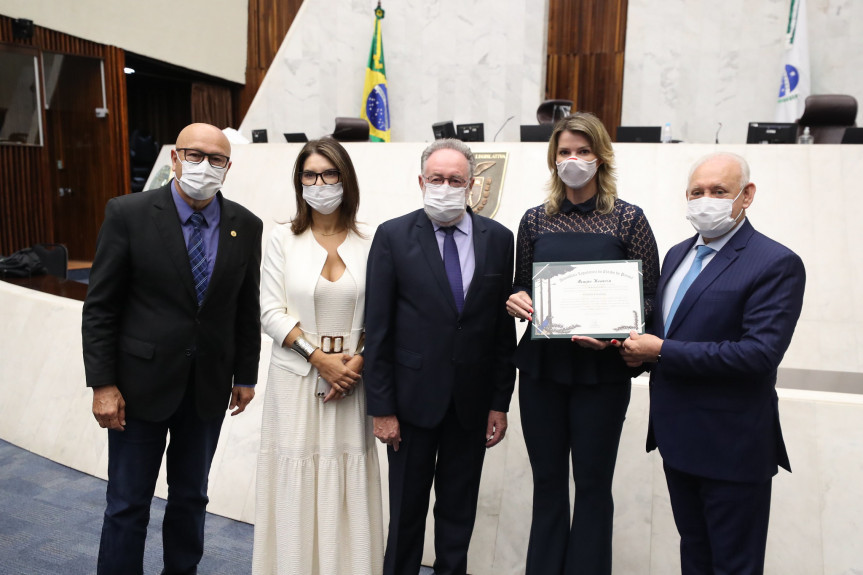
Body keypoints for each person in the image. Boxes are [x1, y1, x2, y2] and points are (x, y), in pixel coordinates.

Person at [82, 122, 263, 575]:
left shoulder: (246, 225)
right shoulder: (128, 213)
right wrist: (102, 384)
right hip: (138, 388)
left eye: (216, 158)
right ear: (176, 159)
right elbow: (101, 306)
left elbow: (246, 305)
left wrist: (246, 374)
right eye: (194, 154)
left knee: (191, 498)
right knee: (127, 503)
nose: (205, 165)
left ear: (228, 166)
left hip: (207, 389)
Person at [619, 152, 806, 575]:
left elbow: (758, 354)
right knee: (695, 556)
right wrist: (620, 344)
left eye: (719, 191)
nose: (706, 200)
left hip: (733, 448)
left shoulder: (775, 263)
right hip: (678, 441)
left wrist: (660, 350)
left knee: (734, 565)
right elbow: (660, 332)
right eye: (696, 192)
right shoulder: (676, 255)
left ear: (746, 195)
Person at [506, 112, 660, 575]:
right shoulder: (534, 220)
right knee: (548, 484)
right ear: (554, 159)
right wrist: (515, 301)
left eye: (583, 151)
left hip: (603, 374)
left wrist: (614, 338)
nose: (573, 160)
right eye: (565, 152)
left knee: (593, 487)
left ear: (600, 157)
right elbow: (519, 287)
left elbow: (651, 297)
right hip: (542, 373)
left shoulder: (629, 219)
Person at [364, 138, 516, 575]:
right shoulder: (392, 235)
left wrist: (499, 402)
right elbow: (379, 330)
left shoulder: (498, 240)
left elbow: (500, 329)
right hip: (410, 406)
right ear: (421, 181)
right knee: (406, 517)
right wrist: (382, 408)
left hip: (471, 406)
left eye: (455, 180)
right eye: (437, 179)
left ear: (471, 185)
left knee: (458, 516)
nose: (445, 187)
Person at [252, 138, 384, 574]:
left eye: (330, 174)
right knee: (294, 484)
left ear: (346, 180)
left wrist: (356, 362)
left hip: (350, 383)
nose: (320, 183)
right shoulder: (282, 240)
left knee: (346, 486)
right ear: (299, 182)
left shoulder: (371, 241)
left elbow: (382, 314)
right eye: (310, 175)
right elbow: (268, 311)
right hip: (295, 381)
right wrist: (317, 358)